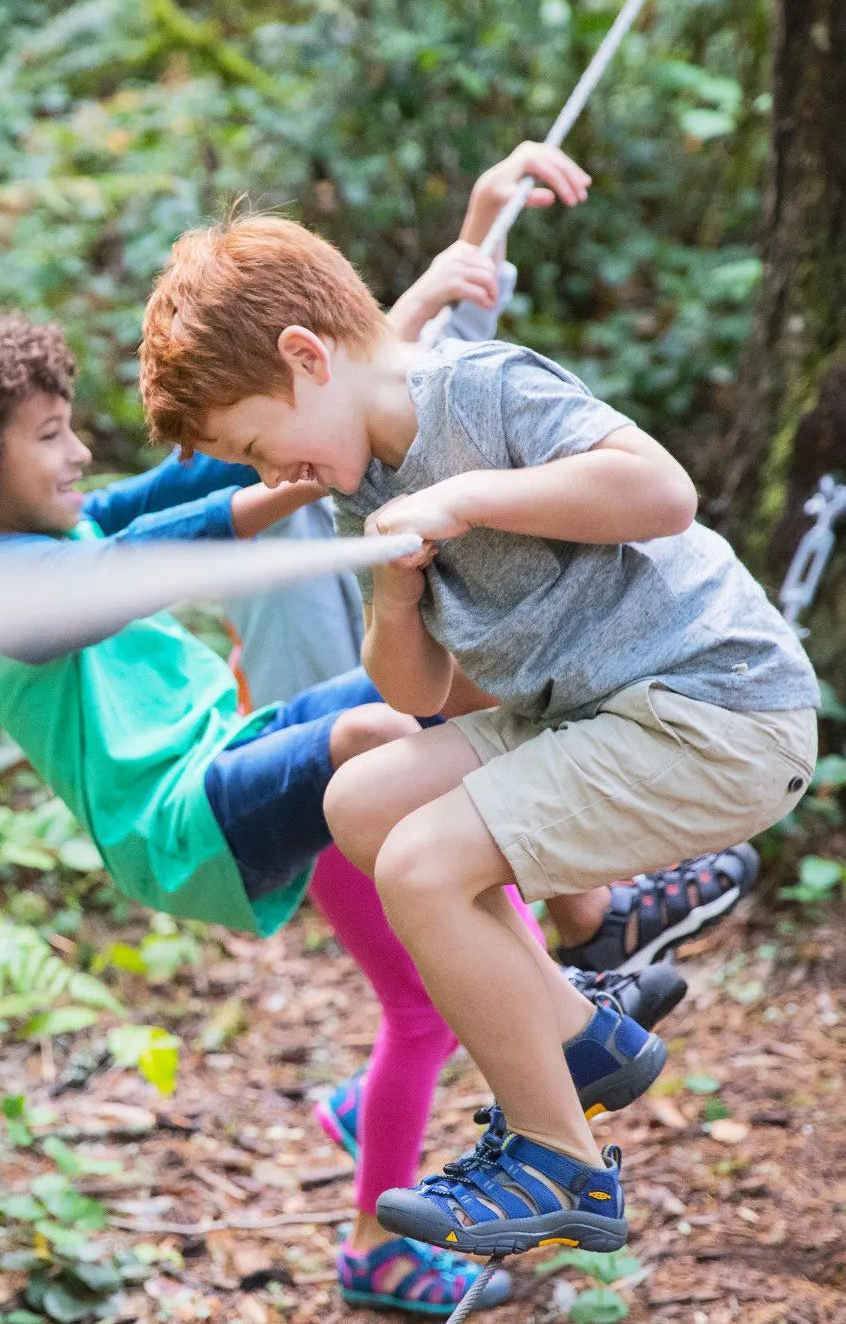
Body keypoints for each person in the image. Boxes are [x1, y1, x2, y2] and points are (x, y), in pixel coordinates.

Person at [0, 304, 674, 1314]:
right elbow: (121, 569)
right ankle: (575, 999)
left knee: (439, 687)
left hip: (236, 746)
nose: (79, 452)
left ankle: (591, 928)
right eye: (49, 436)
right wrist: (245, 518)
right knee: (373, 737)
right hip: (178, 818)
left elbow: (174, 487)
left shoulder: (44, 529)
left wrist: (330, 395)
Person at [137, 193, 820, 1258]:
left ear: (307, 357)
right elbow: (432, 696)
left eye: (260, 446)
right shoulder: (365, 487)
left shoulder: (479, 390)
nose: (274, 480)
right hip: (591, 715)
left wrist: (464, 504)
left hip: (714, 708)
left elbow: (660, 489)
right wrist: (398, 599)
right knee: (360, 798)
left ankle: (562, 1160)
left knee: (419, 865)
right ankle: (578, 1037)